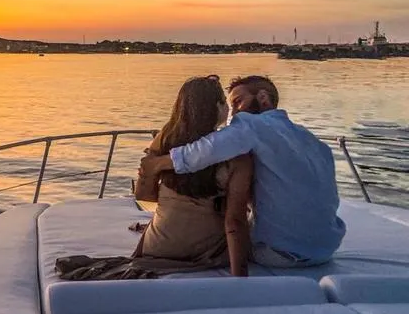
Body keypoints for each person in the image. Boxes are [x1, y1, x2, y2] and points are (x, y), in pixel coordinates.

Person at [55, 76, 253, 280]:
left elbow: (144, 195)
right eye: (225, 103)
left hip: (158, 247)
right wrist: (240, 279)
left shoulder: (166, 140)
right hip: (203, 251)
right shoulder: (238, 156)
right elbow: (235, 222)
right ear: (218, 107)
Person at [141, 75, 346, 268]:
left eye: (238, 102)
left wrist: (158, 164)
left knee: (231, 224)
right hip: (325, 249)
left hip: (278, 254)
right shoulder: (311, 140)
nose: (233, 113)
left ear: (263, 98)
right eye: (230, 106)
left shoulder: (251, 124)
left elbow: (204, 151)